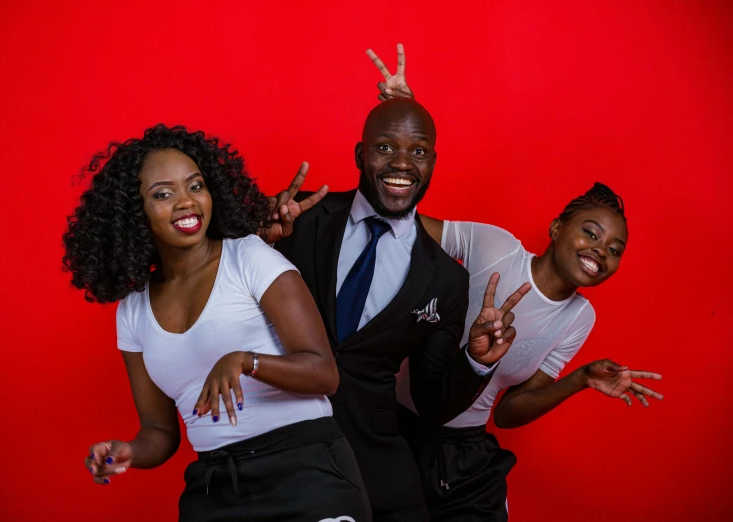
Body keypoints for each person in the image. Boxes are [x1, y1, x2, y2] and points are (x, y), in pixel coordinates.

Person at [368, 45, 663, 521]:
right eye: (590, 233)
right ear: (556, 228)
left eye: (614, 249)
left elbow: (508, 413)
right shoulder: (498, 247)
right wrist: (403, 129)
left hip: (463, 455)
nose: (599, 252)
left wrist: (582, 380)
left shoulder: (579, 317)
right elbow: (404, 220)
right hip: (392, 429)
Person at [62, 124, 371, 522]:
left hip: (306, 471)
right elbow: (159, 429)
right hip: (215, 488)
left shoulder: (250, 258)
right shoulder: (133, 310)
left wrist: (246, 360)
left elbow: (324, 374)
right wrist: (130, 452)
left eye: (195, 186)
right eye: (162, 194)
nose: (186, 203)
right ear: (133, 213)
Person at [273, 96, 531, 521]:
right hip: (279, 442)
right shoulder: (299, 217)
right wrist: (258, 235)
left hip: (374, 462)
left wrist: (476, 362)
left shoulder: (447, 279)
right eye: (385, 147)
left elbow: (431, 404)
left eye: (418, 151)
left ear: (432, 162)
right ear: (361, 154)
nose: (402, 163)